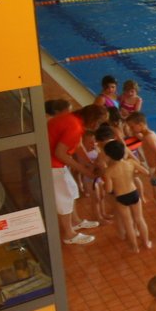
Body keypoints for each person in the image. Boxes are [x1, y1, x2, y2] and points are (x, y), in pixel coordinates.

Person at [48, 102, 101, 245]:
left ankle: (76, 221)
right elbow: (60, 153)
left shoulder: (74, 120)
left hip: (55, 161)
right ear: (92, 119)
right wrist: (84, 171)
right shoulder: (75, 127)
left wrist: (89, 163)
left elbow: (77, 145)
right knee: (64, 198)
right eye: (98, 122)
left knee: (72, 189)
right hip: (52, 165)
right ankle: (69, 234)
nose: (98, 126)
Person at [101, 138, 151, 253]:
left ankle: (135, 247)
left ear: (108, 155)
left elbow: (109, 190)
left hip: (121, 197)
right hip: (133, 193)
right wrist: (133, 173)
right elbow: (146, 172)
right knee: (139, 219)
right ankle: (146, 243)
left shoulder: (108, 171)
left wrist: (104, 185)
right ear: (123, 151)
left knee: (128, 223)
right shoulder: (131, 162)